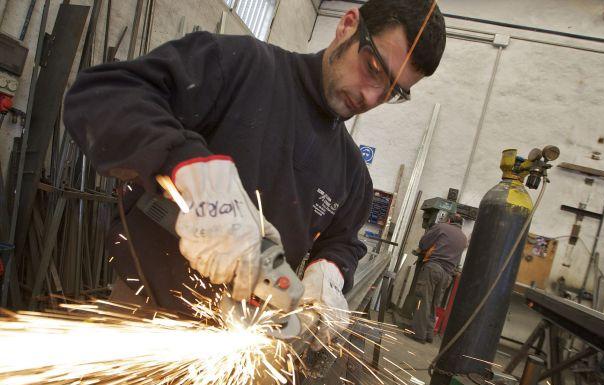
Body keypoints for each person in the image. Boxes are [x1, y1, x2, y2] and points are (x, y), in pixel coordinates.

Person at [63, 0, 446, 348]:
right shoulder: (240, 65)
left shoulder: (353, 175)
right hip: (143, 315)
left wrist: (328, 272)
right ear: (347, 25)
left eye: (392, 91)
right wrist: (194, 174)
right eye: (373, 68)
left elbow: (341, 241)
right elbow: (106, 94)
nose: (371, 97)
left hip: (244, 341)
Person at [407, 213, 467, 343]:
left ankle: (418, 334)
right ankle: (429, 334)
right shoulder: (463, 238)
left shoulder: (442, 227)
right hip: (447, 275)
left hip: (433, 268)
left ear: (449, 220)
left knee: (423, 301)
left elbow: (423, 244)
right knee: (434, 304)